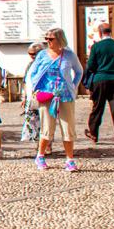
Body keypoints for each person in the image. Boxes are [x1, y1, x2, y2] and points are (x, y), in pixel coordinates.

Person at [27, 27, 85, 172]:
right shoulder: (42, 55)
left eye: (50, 39)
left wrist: (73, 86)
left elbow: (79, 71)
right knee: (47, 128)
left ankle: (70, 160)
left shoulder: (69, 55)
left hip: (65, 96)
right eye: (46, 39)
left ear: (60, 39)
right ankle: (40, 156)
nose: (47, 41)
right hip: (47, 96)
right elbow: (32, 73)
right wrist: (36, 89)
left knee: (68, 128)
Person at [84, 22, 114, 150]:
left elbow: (91, 65)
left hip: (100, 80)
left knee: (97, 107)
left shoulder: (96, 47)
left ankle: (93, 133)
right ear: (110, 32)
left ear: (100, 32)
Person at [20, 42, 46, 143]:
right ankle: (37, 143)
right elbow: (25, 82)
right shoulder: (30, 65)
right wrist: (24, 98)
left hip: (43, 96)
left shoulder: (46, 63)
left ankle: (46, 144)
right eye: (30, 54)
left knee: (44, 121)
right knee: (32, 121)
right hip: (31, 98)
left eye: (34, 54)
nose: (32, 56)